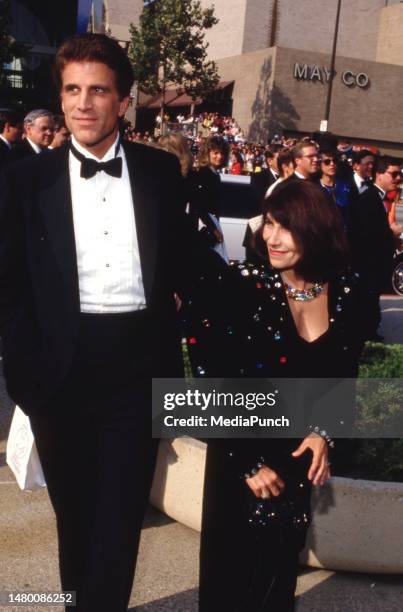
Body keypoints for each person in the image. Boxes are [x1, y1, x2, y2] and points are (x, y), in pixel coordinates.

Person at [0, 33, 204, 612]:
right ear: (60, 98)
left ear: (122, 100)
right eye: (72, 89)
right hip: (59, 372)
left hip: (138, 370)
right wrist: (24, 373)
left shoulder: (162, 172)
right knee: (77, 520)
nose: (83, 103)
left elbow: (188, 269)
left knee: (119, 522)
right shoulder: (23, 180)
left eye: (98, 90)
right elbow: (9, 284)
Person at [185, 181, 366, 612]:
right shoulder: (241, 287)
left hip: (297, 462)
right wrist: (248, 462)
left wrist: (324, 433)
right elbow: (209, 378)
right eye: (269, 224)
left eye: (286, 227)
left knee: (277, 583)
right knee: (230, 585)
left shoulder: (347, 292)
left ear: (316, 229)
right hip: (240, 460)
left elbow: (345, 375)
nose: (271, 237)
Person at [350, 156, 399, 341]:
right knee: (366, 306)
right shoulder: (369, 198)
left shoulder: (378, 197)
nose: (398, 178)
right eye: (393, 174)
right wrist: (390, 234)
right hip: (368, 266)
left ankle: (370, 334)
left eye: (399, 174)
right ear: (379, 174)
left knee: (371, 305)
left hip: (374, 267)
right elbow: (366, 236)